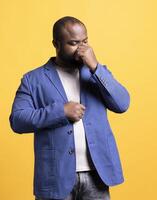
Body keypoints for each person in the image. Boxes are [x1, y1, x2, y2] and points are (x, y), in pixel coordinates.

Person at [9, 16, 130, 200]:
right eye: (73, 43)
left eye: (85, 42)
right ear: (56, 44)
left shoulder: (97, 73)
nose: (81, 49)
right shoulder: (33, 80)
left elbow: (122, 104)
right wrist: (60, 112)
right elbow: (18, 120)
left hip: (97, 175)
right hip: (55, 176)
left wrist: (95, 67)